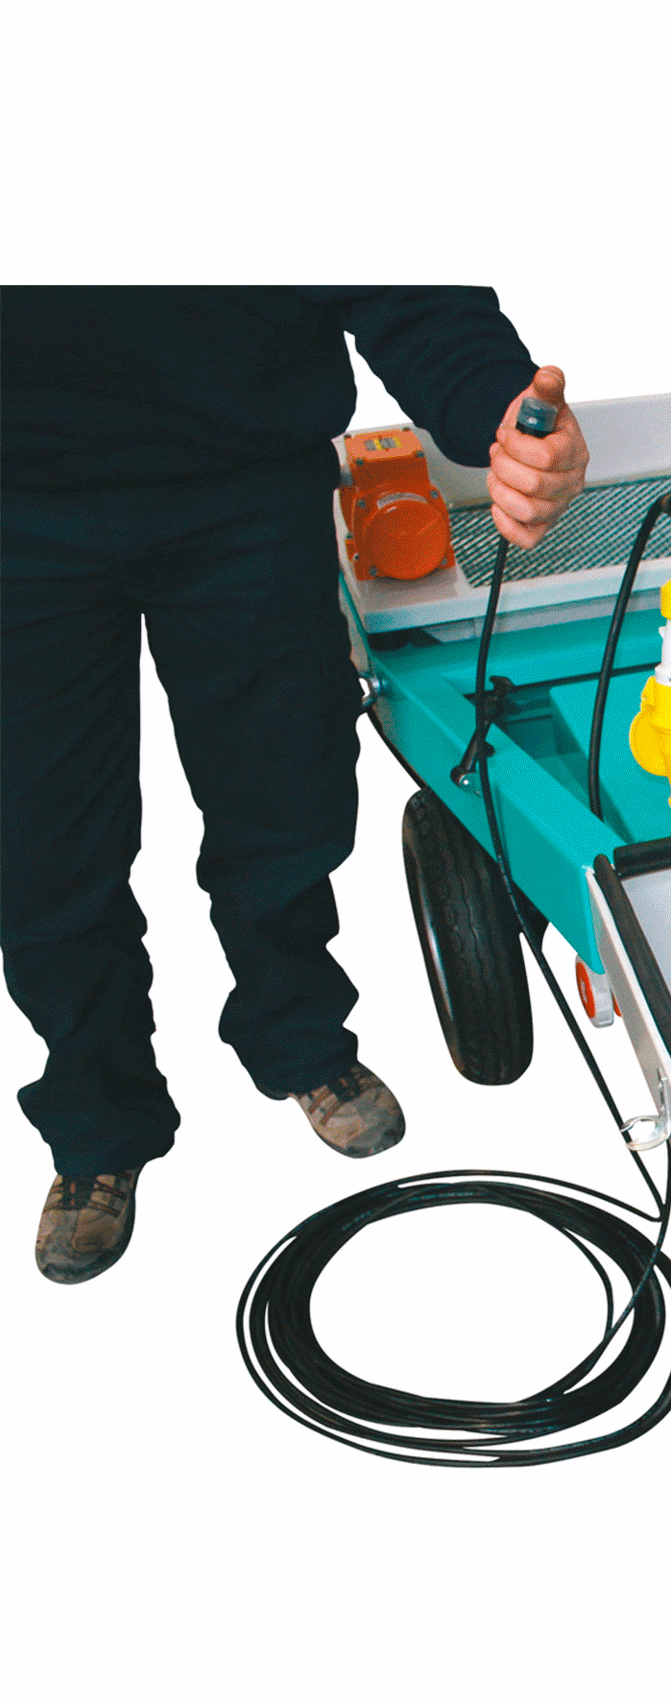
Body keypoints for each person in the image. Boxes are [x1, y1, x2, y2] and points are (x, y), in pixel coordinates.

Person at [0, 286, 589, 1283]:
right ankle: (96, 1125)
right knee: (38, 852)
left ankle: (303, 1042)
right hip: (17, 507)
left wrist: (500, 411)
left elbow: (409, 287)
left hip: (245, 487)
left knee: (287, 805)